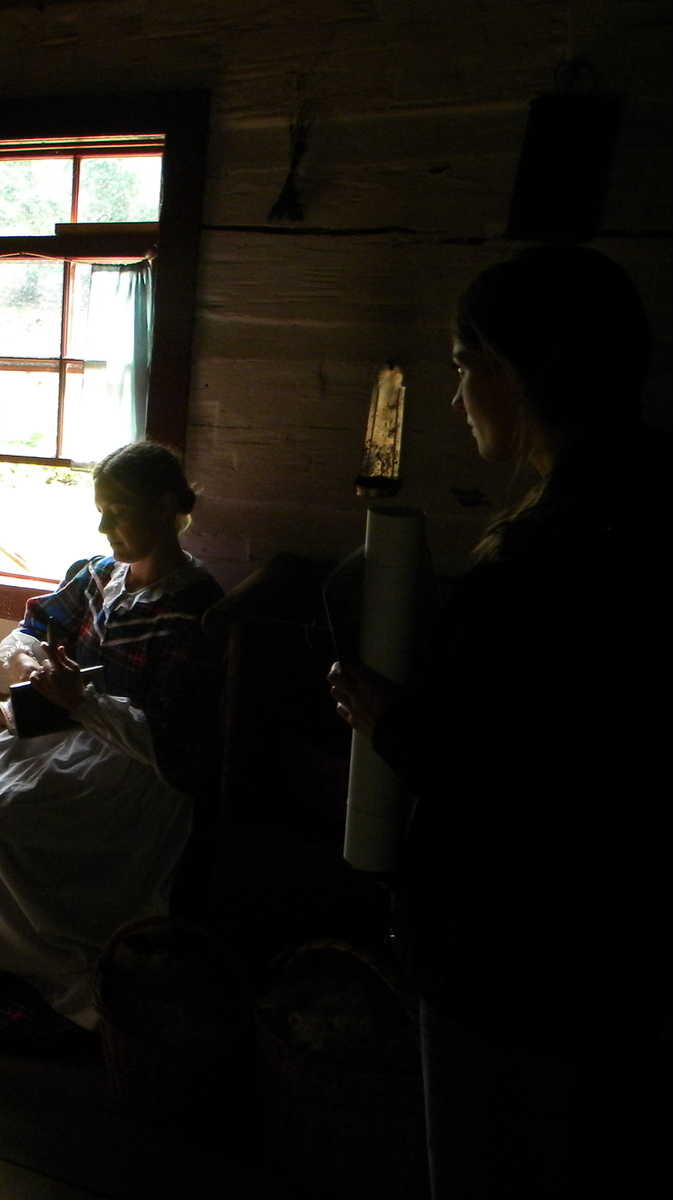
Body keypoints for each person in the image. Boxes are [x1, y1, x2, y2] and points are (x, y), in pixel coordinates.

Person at [328, 245, 672, 1198]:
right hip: (625, 948)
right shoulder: (649, 498)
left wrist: (388, 718)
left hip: (512, 958)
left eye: (459, 365)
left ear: (513, 371)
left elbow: (512, 775)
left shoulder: (544, 554)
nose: (454, 396)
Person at [0, 442, 225, 1046]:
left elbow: (176, 748)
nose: (103, 527)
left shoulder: (194, 612)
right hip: (64, 731)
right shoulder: (96, 575)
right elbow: (30, 628)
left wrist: (84, 703)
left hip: (133, 765)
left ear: (167, 506)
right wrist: (31, 664)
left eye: (117, 512)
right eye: (100, 511)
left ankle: (31, 948)